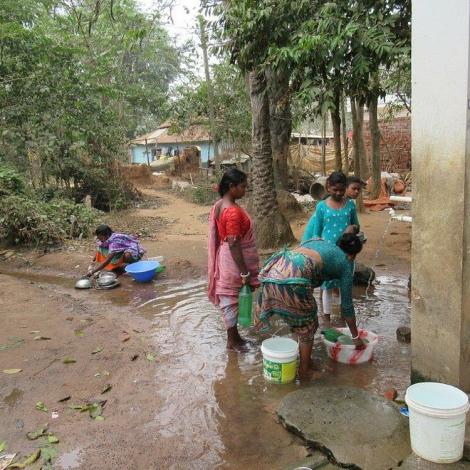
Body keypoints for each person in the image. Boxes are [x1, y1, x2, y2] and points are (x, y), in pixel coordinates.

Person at [255, 233, 365, 379]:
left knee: (300, 318)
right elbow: (347, 307)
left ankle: (303, 360)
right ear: (352, 255)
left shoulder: (319, 242)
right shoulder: (346, 263)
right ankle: (304, 371)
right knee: (309, 324)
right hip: (293, 277)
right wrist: (355, 336)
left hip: (273, 271)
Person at [208, 169, 260, 352]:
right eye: (243, 186)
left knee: (231, 298)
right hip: (233, 262)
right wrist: (244, 271)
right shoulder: (231, 212)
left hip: (226, 259)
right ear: (232, 187)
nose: (246, 190)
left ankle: (235, 337)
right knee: (230, 298)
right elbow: (233, 243)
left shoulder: (221, 204)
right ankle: (232, 341)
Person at [302, 171, 360, 323]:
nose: (339, 193)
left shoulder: (350, 206)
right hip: (327, 252)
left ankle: (342, 316)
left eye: (341, 190)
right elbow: (316, 234)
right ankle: (326, 318)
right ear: (328, 187)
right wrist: (316, 251)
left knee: (344, 282)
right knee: (327, 285)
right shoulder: (321, 207)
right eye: (335, 190)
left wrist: (352, 228)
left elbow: (357, 226)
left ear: (345, 188)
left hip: (345, 251)